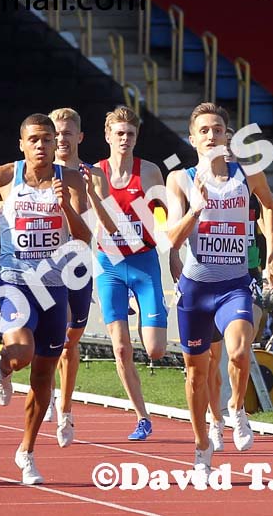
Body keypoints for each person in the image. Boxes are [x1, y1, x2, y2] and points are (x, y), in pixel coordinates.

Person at [0, 113, 90, 485]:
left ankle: (26, 452)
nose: (42, 146)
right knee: (23, 353)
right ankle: (5, 366)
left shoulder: (70, 179)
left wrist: (67, 208)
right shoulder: (3, 177)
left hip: (53, 290)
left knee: (44, 375)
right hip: (13, 285)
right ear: (22, 144)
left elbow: (84, 237)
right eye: (35, 140)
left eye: (48, 139)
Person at [166, 103, 273, 471]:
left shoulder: (246, 172)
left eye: (217, 129)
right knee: (197, 373)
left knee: (238, 352)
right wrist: (195, 210)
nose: (211, 136)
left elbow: (270, 205)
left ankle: (236, 409)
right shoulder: (180, 179)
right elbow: (170, 237)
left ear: (227, 135)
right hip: (196, 290)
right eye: (204, 131)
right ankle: (202, 447)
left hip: (234, 285)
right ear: (193, 139)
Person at [96, 105, 168, 441]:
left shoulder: (151, 172)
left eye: (131, 134)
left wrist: (176, 254)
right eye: (119, 133)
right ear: (107, 135)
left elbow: (170, 215)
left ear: (137, 138)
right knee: (122, 349)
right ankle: (142, 417)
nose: (125, 139)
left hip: (143, 262)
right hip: (109, 265)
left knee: (155, 349)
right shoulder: (95, 174)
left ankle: (144, 311)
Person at [47, 107, 116, 447]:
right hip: (44, 269)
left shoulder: (93, 175)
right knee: (48, 338)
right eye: (55, 133)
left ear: (79, 137)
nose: (61, 139)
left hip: (79, 265)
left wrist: (90, 195)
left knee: (70, 341)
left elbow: (106, 222)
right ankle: (50, 395)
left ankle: (65, 407)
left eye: (66, 133)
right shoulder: (38, 173)